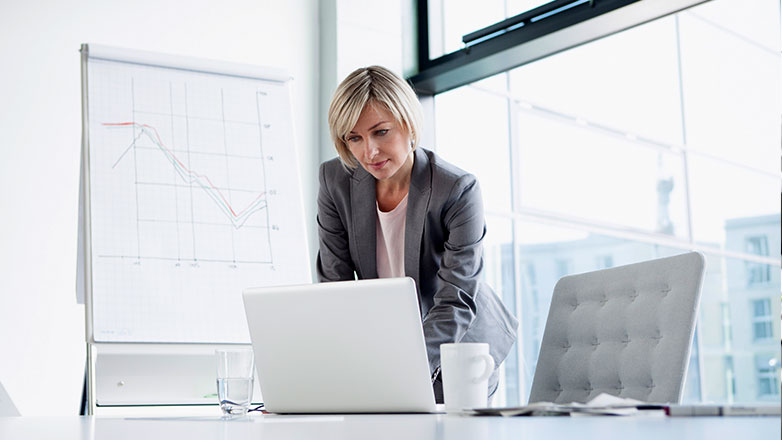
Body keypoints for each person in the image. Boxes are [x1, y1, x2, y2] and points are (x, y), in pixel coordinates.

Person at [317, 65, 518, 403]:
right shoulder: (334, 180)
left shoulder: (457, 189)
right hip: (387, 346)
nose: (370, 152)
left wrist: (401, 370)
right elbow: (335, 287)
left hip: (459, 345)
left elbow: (455, 299)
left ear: (408, 124)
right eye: (355, 138)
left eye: (381, 132)